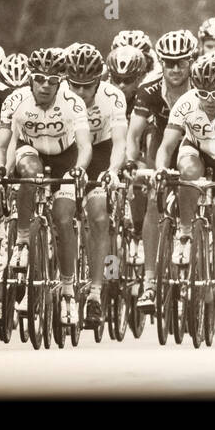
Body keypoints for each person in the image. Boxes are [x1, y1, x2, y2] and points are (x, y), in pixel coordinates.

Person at [154, 52, 215, 329]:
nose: (210, 101)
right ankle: (184, 234)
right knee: (187, 173)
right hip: (196, 151)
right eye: (203, 94)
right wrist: (161, 169)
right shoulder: (186, 103)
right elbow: (166, 146)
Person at [0, 64, 92, 326]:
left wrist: (79, 170)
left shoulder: (73, 102)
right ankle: (23, 241)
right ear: (31, 79)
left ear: (60, 81)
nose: (46, 85)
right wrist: (1, 170)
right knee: (29, 173)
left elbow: (85, 145)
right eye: (40, 79)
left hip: (65, 158)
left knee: (63, 219)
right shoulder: (16, 100)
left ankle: (68, 289)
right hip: (31, 151)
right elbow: (2, 143)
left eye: (52, 80)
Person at [126, 29, 198, 310]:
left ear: (191, 60)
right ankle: (150, 283)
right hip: (162, 142)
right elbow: (133, 135)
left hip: (195, 141)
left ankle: (191, 237)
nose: (176, 69)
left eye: (181, 62)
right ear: (161, 63)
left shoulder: (200, 84)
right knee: (154, 203)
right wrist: (132, 162)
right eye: (169, 62)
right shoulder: (150, 89)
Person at [65, 43, 127, 329]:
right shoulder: (59, 95)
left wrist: (113, 171)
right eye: (74, 85)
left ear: (99, 82)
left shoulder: (113, 97)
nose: (79, 93)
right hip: (67, 151)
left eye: (86, 87)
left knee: (99, 213)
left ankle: (95, 293)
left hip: (100, 153)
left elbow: (119, 142)